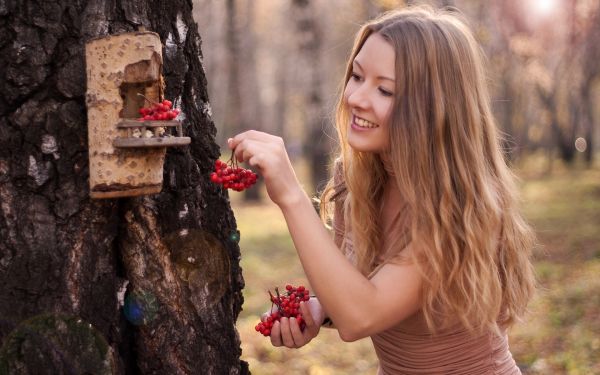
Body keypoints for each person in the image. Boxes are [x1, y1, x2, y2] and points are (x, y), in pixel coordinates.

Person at [228, 5, 536, 374]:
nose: (356, 97)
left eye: (384, 89)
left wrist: (292, 197)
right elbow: (354, 293)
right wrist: (318, 307)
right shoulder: (356, 181)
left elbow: (362, 316)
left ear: (431, 109)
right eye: (356, 76)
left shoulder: (457, 207)